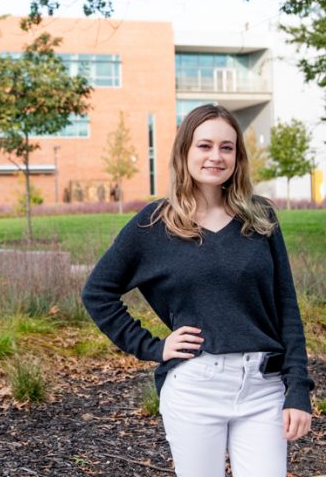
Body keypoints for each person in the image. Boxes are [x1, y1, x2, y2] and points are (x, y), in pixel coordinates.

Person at [81, 104, 314, 477]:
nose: (216, 156)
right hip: (195, 387)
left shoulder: (261, 217)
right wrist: (153, 347)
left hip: (264, 388)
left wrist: (298, 389)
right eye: (204, 145)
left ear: (238, 157)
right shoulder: (154, 224)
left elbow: (287, 307)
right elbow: (98, 293)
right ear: (184, 152)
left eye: (227, 147)